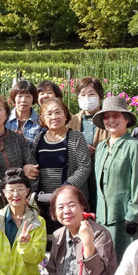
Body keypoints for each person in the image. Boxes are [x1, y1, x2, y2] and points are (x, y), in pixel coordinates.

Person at [93, 95, 138, 261]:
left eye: (116, 115)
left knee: (124, 266)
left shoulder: (134, 146)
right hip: (103, 218)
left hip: (124, 219)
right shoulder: (101, 147)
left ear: (126, 119)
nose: (110, 120)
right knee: (104, 263)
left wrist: (133, 215)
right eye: (106, 116)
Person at [27, 98, 92, 234]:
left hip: (70, 203)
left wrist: (64, 191)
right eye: (49, 114)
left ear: (65, 114)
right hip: (43, 202)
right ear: (43, 119)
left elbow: (84, 167)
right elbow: (33, 165)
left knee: (72, 237)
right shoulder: (39, 138)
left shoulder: (76, 137)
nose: (54, 117)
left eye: (58, 112)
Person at [67, 77, 108, 203]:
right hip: (79, 176)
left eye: (91, 94)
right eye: (82, 94)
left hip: (102, 175)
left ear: (100, 96)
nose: (87, 98)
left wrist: (99, 151)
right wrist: (81, 150)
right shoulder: (72, 121)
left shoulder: (109, 120)